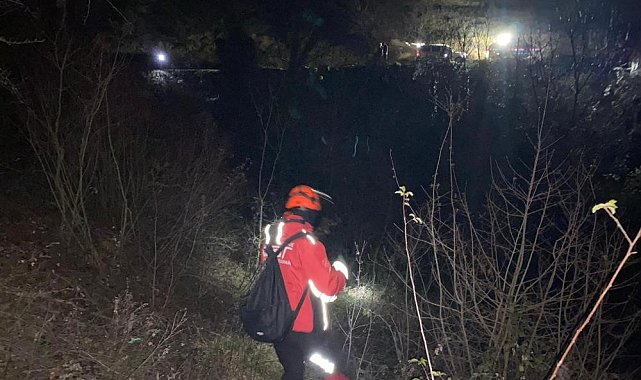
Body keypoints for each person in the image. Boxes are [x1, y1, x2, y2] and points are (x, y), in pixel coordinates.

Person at [261, 185, 350, 380]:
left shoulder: (272, 234)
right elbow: (328, 288)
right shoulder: (308, 244)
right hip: (303, 328)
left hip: (275, 321)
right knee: (336, 367)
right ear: (311, 214)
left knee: (293, 371)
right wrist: (341, 272)